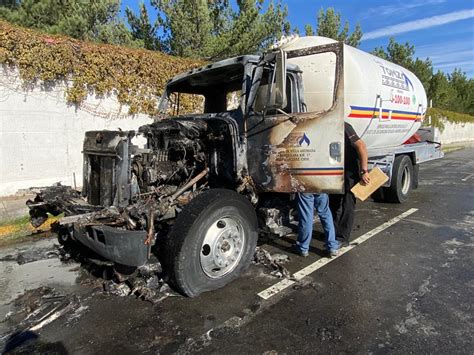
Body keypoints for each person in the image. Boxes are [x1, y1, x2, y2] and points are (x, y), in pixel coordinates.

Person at [329, 122, 370, 245]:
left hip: (349, 171)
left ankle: (342, 237)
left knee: (348, 203)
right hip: (336, 170)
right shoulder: (328, 125)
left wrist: (364, 171)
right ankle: (333, 231)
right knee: (333, 202)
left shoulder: (344, 126)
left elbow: (361, 146)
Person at [294, 192, 339, 257]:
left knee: (306, 217)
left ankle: (303, 247)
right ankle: (332, 246)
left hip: (305, 186)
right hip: (320, 185)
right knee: (325, 213)